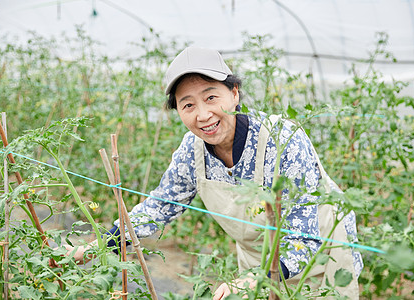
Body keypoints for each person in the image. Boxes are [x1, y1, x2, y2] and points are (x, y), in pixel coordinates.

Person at [68, 47, 363, 299]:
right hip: (256, 261)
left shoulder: (282, 139)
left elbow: (304, 236)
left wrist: (258, 278)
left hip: (320, 257)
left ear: (234, 94)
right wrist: (101, 243)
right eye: (188, 105)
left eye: (211, 98)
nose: (203, 115)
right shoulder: (192, 151)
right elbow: (158, 207)